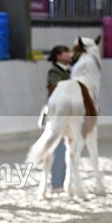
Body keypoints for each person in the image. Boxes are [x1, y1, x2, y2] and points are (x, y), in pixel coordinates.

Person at [45, 44, 73, 193]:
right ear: (58, 56)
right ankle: (56, 184)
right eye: (65, 53)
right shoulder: (54, 72)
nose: (69, 55)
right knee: (59, 148)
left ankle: (68, 182)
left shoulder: (72, 72)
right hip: (58, 114)